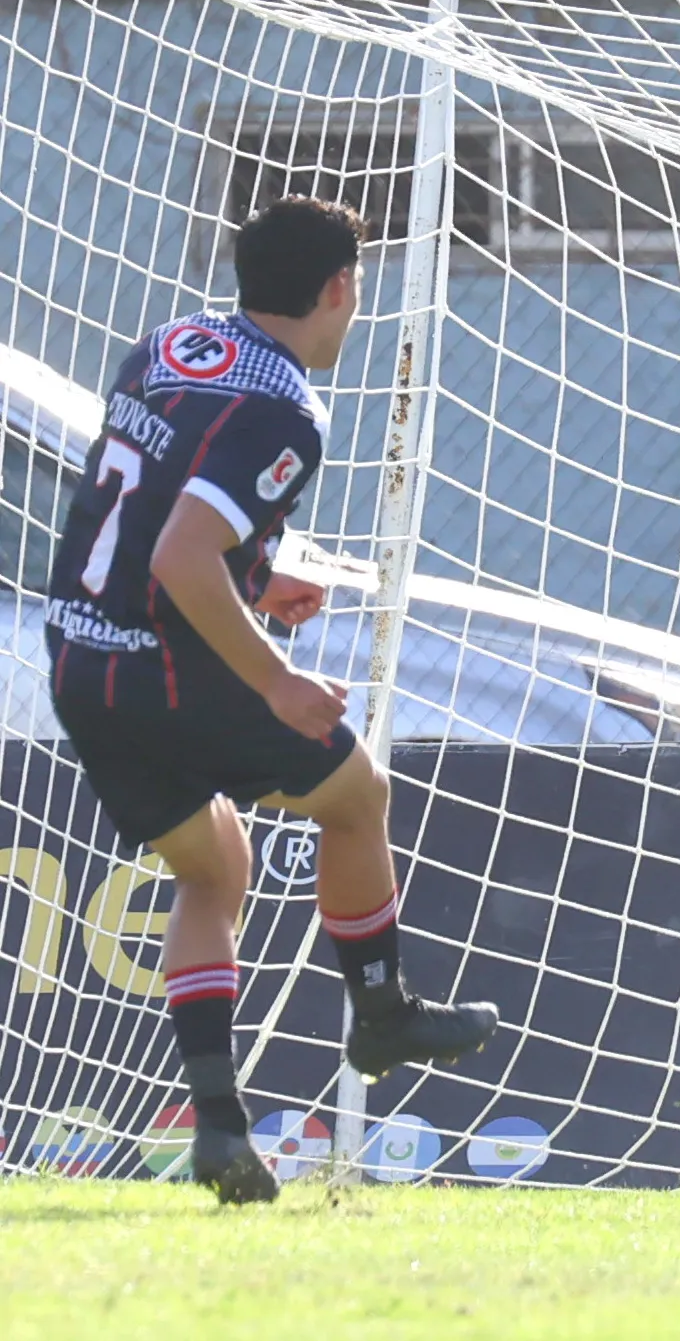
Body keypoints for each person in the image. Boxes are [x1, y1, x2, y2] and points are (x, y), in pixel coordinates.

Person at [45, 197, 497, 1204]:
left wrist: (257, 579)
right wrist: (275, 676)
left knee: (219, 864)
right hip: (170, 665)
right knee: (357, 794)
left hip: (82, 663)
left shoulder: (172, 341)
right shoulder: (287, 407)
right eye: (357, 292)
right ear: (338, 289)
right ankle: (382, 1009)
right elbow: (178, 550)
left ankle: (217, 1126)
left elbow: (153, 503)